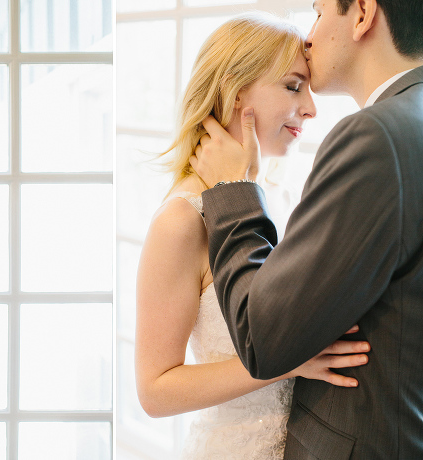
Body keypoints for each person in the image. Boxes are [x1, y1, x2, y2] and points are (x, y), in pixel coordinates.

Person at [189, 0, 423, 457]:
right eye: (291, 86)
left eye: (318, 11)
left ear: (362, 13)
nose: (310, 35)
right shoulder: (411, 120)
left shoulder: (375, 137)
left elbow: (265, 340)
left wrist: (233, 189)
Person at [135, 13, 372, 459]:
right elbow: (155, 391)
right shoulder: (181, 220)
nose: (311, 107)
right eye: (292, 85)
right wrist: (281, 364)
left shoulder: (275, 196)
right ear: (235, 89)